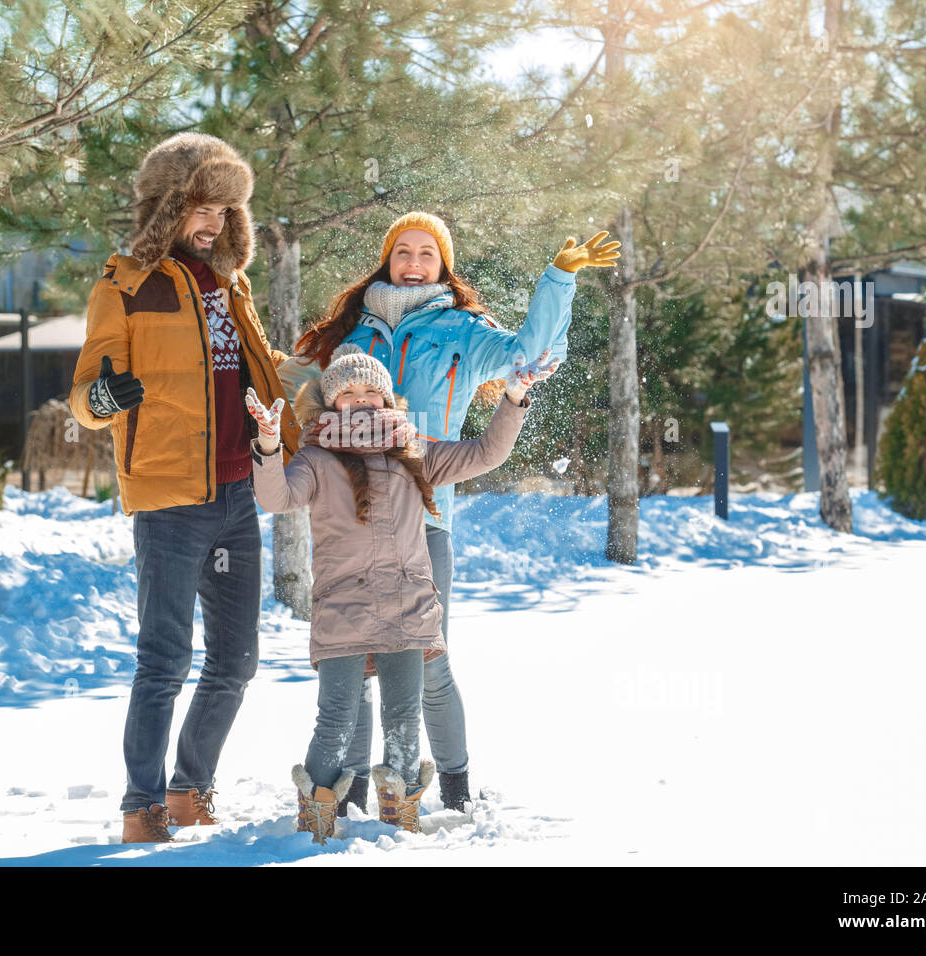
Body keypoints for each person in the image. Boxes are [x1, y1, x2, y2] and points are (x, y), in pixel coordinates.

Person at [277, 212, 619, 813]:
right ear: (387, 259)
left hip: (425, 518)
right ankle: (351, 792)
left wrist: (558, 279)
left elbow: (531, 354)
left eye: (426, 254)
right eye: (402, 251)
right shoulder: (346, 335)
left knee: (429, 663)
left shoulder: (463, 330)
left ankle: (454, 789)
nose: (412, 262)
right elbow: (282, 382)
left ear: (443, 266)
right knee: (353, 671)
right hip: (347, 524)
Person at [68, 132, 301, 844]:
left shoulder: (233, 286)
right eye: (203, 207)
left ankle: (190, 788)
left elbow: (261, 373)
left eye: (227, 210)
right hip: (169, 501)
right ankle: (142, 804)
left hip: (237, 496)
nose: (214, 223)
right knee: (164, 659)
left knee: (236, 660)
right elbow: (82, 396)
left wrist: (321, 380)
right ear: (169, 207)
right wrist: (106, 397)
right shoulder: (125, 285)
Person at [247, 343, 558, 843]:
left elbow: (486, 453)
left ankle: (401, 815)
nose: (362, 398)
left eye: (372, 388)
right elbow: (274, 497)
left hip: (407, 607)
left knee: (403, 716)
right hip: (344, 610)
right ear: (330, 403)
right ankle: (317, 817)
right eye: (347, 391)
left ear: (388, 398)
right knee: (336, 719)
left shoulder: (415, 450)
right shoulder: (316, 457)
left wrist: (515, 395)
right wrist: (265, 445)